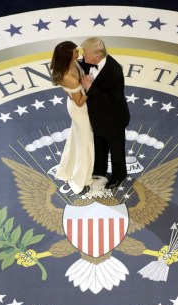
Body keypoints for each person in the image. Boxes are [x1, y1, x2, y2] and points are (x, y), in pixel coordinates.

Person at [79, 37, 130, 190]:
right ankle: (99, 171)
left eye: (85, 53)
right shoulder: (89, 62)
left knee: (116, 149)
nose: (83, 56)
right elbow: (78, 64)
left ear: (97, 56)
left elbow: (112, 100)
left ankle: (119, 175)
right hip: (98, 117)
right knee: (99, 144)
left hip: (114, 119)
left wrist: (90, 88)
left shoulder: (114, 71)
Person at [51, 41, 94, 195]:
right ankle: (81, 178)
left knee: (77, 138)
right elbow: (79, 101)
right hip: (79, 109)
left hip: (77, 105)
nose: (78, 52)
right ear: (69, 55)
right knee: (85, 143)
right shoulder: (69, 78)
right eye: (76, 51)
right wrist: (90, 88)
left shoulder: (73, 65)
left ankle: (68, 169)